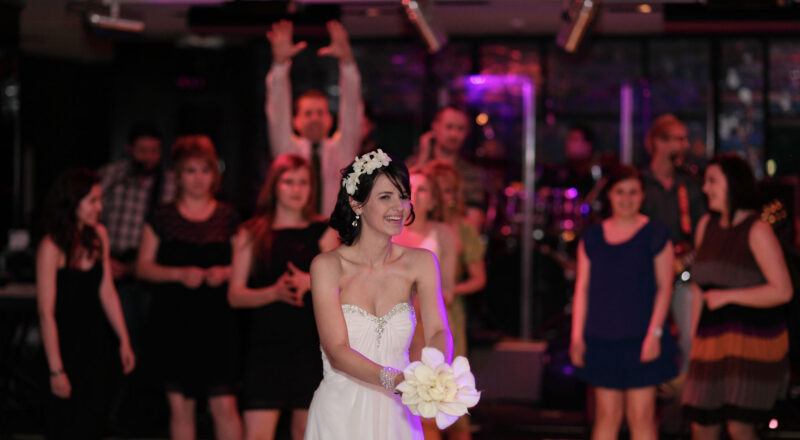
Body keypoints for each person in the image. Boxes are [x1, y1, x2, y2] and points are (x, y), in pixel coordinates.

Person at [304, 149, 453, 439]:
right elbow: (337, 351)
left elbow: (438, 330)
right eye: (386, 197)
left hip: (398, 414)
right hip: (340, 414)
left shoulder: (422, 262)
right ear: (356, 203)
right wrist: (397, 381)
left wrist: (435, 373)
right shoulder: (327, 266)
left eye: (403, 196)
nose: (399, 206)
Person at [135, 136, 242, 440]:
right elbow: (142, 267)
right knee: (181, 407)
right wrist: (178, 274)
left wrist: (227, 272)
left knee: (225, 404)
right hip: (173, 321)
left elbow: (248, 266)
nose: (198, 178)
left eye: (205, 170)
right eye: (190, 171)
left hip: (217, 321)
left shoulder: (228, 216)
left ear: (214, 175)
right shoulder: (162, 216)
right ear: (179, 177)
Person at [682, 154, 792, 440]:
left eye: (712, 181)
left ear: (733, 184)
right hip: (711, 340)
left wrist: (728, 297)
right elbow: (698, 288)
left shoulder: (757, 229)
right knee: (701, 424)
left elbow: (783, 290)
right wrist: (693, 338)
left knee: (739, 426)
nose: (705, 188)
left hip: (752, 340)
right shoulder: (706, 225)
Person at [228, 153, 338, 440]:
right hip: (265, 347)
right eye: (289, 182)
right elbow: (235, 296)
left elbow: (343, 284)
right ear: (274, 186)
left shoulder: (323, 232)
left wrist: (310, 282)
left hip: (310, 346)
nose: (296, 189)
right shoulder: (251, 232)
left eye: (303, 182)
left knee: (307, 432)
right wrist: (274, 292)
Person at [570, 165, 678, 440]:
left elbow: (665, 287)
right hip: (602, 338)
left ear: (642, 195)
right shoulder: (593, 236)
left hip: (641, 337)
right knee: (607, 416)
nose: (627, 199)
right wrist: (577, 336)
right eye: (620, 192)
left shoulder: (655, 234)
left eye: (633, 192)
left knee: (641, 416)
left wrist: (655, 334)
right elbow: (582, 289)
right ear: (609, 195)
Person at [36, 168, 136, 439]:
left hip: (96, 343)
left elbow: (107, 291)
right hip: (64, 346)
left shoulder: (99, 235)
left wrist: (124, 339)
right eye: (92, 201)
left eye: (99, 200)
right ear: (72, 201)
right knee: (65, 424)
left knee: (94, 423)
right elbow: (46, 312)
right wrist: (56, 369)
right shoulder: (51, 246)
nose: (99, 207)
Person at [265, 19, 363, 217]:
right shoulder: (288, 151)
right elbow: (277, 113)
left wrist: (347, 63)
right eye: (308, 113)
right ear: (296, 121)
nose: (315, 118)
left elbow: (352, 111)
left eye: (320, 112)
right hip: (295, 227)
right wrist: (280, 65)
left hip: (334, 231)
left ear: (330, 120)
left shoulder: (342, 150)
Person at [97, 124, 175, 353]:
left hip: (150, 270)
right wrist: (104, 260)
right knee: (116, 340)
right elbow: (88, 221)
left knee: (150, 342)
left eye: (154, 151)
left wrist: (136, 267)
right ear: (129, 148)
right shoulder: (110, 177)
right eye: (142, 151)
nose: (148, 158)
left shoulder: (169, 183)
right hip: (111, 265)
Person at [641, 114, 706, 376]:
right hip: (646, 276)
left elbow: (702, 232)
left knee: (691, 339)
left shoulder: (690, 186)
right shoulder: (640, 184)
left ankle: (684, 394)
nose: (685, 146)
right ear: (658, 142)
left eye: (685, 139)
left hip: (683, 275)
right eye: (679, 139)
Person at [409, 106, 487, 232]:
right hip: (413, 238)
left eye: (460, 129)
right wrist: (423, 159)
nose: (454, 134)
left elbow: (474, 223)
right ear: (435, 127)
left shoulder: (470, 174)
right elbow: (403, 205)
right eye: (449, 127)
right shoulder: (414, 164)